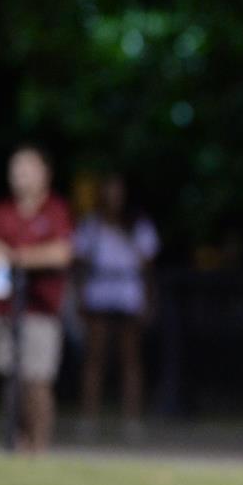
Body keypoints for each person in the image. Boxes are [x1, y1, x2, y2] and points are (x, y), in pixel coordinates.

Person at [0, 145, 74, 452]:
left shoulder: (55, 211)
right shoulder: (1, 211)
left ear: (45, 174)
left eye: (27, 168)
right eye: (16, 168)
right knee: (9, 378)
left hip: (39, 308)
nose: (20, 175)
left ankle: (40, 445)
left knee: (36, 379)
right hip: (1, 308)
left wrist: (16, 257)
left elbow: (63, 252)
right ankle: (17, 442)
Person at [73, 173, 160, 441]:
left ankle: (132, 419)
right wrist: (80, 299)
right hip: (99, 296)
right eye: (108, 190)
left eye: (118, 190)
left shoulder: (138, 225)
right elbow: (80, 265)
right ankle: (88, 419)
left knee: (130, 359)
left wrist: (148, 300)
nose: (113, 196)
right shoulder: (91, 225)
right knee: (95, 358)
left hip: (128, 297)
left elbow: (148, 267)